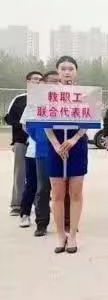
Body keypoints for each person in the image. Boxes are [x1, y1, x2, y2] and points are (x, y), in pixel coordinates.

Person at [43, 57, 89, 253]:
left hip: (77, 146)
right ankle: (60, 235)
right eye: (63, 68)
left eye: (71, 68)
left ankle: (73, 236)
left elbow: (89, 121)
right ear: (57, 71)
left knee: (76, 193)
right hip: (55, 147)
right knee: (57, 194)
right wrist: (56, 144)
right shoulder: (48, 95)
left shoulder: (85, 94)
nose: (67, 72)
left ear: (76, 72)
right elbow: (43, 120)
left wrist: (74, 139)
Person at [5, 71, 43, 216]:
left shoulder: (46, 99)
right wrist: (25, 128)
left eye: (40, 79)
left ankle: (40, 203)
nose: (38, 81)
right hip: (21, 141)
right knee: (20, 172)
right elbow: (9, 119)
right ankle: (17, 204)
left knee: (40, 174)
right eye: (35, 79)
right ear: (27, 81)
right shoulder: (19, 99)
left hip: (40, 142)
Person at [28, 71, 60, 236]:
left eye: (59, 81)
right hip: (44, 151)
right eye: (53, 81)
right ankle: (41, 223)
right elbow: (29, 127)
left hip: (64, 150)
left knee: (64, 189)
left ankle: (66, 221)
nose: (57, 84)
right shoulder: (36, 103)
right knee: (43, 188)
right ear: (44, 83)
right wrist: (42, 140)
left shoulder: (68, 101)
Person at [15, 72, 43, 228]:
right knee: (31, 183)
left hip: (53, 151)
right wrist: (36, 137)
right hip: (34, 150)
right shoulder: (32, 103)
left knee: (47, 186)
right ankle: (25, 213)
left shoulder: (58, 102)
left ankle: (43, 215)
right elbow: (25, 125)